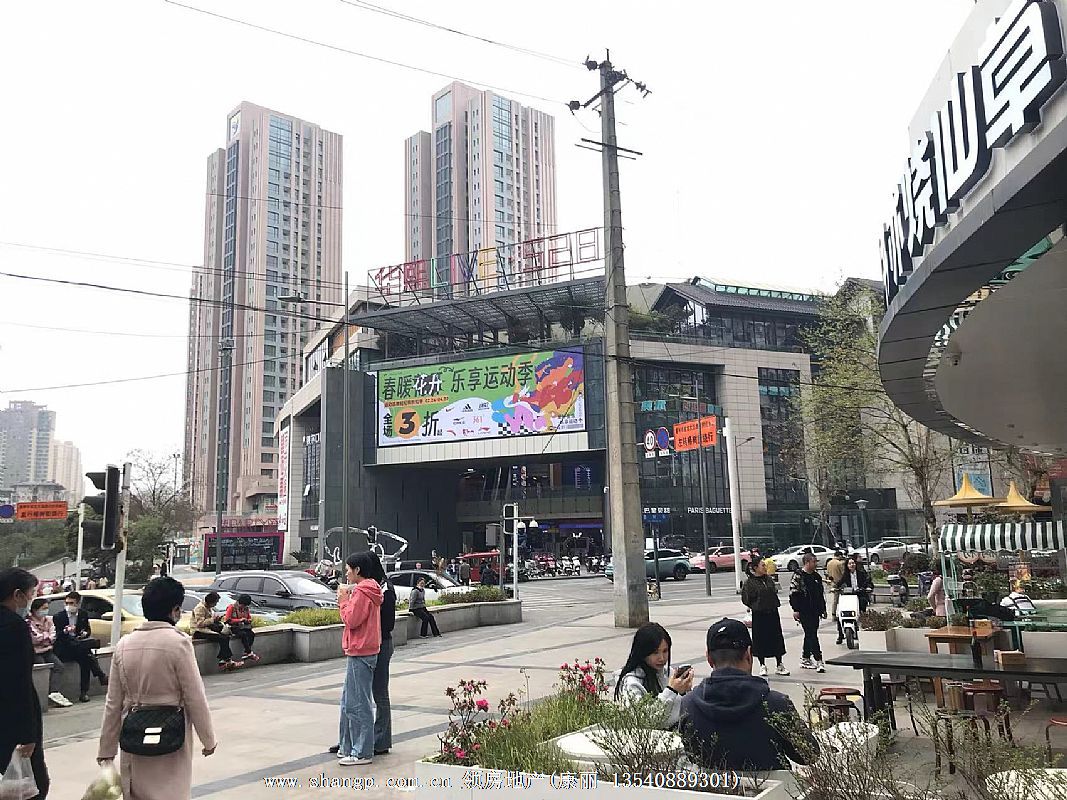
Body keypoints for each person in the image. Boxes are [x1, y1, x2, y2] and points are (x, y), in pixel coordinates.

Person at [97, 577, 216, 800]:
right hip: (171, 733)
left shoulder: (124, 645)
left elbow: (113, 702)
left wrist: (106, 749)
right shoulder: (179, 643)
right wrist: (208, 739)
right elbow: (195, 696)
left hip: (134, 734)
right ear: (175, 609)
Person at [681, 618, 817, 772]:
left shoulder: (688, 704)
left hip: (710, 786)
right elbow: (809, 755)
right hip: (773, 787)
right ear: (748, 654)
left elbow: (691, 755)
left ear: (709, 658)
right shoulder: (776, 704)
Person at [0, 568, 49, 799]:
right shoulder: (14, 626)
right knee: (32, 785)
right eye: (30, 594)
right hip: (13, 720)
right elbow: (18, 682)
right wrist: (28, 734)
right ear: (17, 595)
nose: (31, 600)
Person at [336, 551, 384, 767]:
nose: (346, 573)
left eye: (348, 569)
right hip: (363, 650)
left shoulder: (363, 592)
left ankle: (362, 751)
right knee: (350, 701)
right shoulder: (368, 589)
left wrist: (343, 601)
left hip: (361, 651)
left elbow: (351, 620)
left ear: (357, 570)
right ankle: (349, 747)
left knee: (358, 704)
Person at [613, 622, 692, 728]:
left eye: (665, 651)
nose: (661, 658)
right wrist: (671, 691)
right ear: (643, 652)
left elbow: (682, 712)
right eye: (655, 652)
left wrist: (684, 692)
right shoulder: (631, 683)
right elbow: (643, 720)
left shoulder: (668, 673)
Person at [54, 591, 108, 702]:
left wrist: (84, 634)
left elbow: (87, 630)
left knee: (85, 659)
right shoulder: (59, 616)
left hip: (78, 646)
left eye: (72, 603)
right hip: (64, 647)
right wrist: (65, 631)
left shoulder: (83, 614)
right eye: (67, 603)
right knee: (86, 653)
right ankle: (100, 675)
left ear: (78, 604)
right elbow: (57, 636)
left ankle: (84, 692)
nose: (69, 606)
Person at [741, 560, 789, 678]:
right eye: (762, 565)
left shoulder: (768, 579)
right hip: (759, 614)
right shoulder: (749, 583)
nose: (765, 567)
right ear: (755, 568)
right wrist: (755, 604)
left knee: (776, 638)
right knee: (760, 639)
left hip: (772, 612)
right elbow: (746, 598)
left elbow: (774, 591)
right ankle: (762, 665)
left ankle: (779, 664)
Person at [27, 598, 73, 708]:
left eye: (47, 608)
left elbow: (53, 635)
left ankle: (54, 692)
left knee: (59, 666)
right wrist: (45, 637)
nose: (45, 611)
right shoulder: (29, 622)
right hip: (35, 652)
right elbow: (35, 638)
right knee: (42, 669)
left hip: (47, 650)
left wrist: (45, 638)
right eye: (43, 608)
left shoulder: (49, 620)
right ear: (35, 609)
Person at [789, 552, 827, 673]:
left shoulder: (816, 577)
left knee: (810, 633)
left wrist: (823, 608)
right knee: (811, 634)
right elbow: (793, 594)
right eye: (814, 562)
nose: (816, 564)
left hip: (815, 611)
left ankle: (805, 657)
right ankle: (818, 659)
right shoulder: (798, 576)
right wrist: (796, 609)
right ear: (807, 562)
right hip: (804, 611)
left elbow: (820, 594)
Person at [374, 572, 396, 756]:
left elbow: (388, 624)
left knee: (380, 693)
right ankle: (354, 738)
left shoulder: (386, 590)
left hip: (381, 644)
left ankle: (381, 740)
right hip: (372, 644)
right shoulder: (375, 587)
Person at [190, 592, 241, 671]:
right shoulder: (200, 608)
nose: (216, 604)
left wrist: (216, 620)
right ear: (211, 601)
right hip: (198, 631)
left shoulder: (208, 608)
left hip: (206, 629)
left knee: (226, 636)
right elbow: (200, 624)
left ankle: (223, 660)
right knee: (222, 638)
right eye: (215, 602)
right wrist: (212, 620)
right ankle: (226, 660)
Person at [834, 556, 874, 643]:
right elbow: (839, 583)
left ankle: (864, 629)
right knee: (839, 614)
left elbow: (869, 583)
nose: (852, 565)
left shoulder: (861, 574)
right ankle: (840, 635)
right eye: (849, 563)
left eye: (853, 563)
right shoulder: (845, 575)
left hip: (859, 595)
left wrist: (868, 587)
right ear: (847, 565)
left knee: (862, 608)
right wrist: (835, 588)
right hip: (849, 597)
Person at [222, 594, 259, 662]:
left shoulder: (246, 608)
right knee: (243, 634)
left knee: (251, 634)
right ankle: (249, 652)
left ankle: (246, 652)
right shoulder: (232, 607)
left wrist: (248, 620)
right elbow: (227, 620)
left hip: (243, 626)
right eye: (243, 605)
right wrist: (239, 620)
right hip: (233, 627)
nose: (244, 607)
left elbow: (249, 617)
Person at [824, 550, 846, 642]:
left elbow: (828, 573)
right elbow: (843, 573)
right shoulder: (839, 563)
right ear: (839, 555)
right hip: (840, 583)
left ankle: (833, 614)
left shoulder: (829, 563)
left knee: (835, 600)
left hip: (832, 583)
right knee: (842, 600)